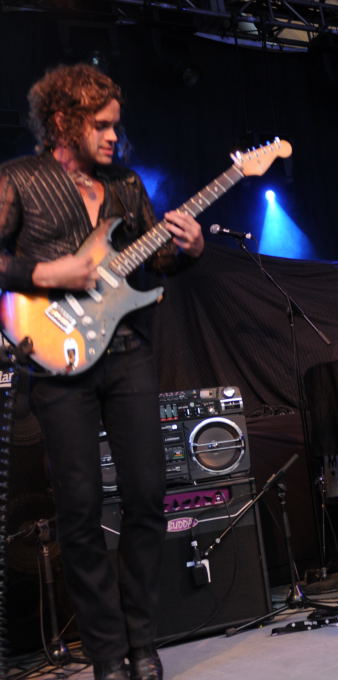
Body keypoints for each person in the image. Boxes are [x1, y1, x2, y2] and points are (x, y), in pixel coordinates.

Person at [0, 64, 204, 680]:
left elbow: (152, 262)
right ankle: (107, 654)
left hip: (128, 351)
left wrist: (189, 250)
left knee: (147, 495)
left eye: (117, 124)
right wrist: (46, 273)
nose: (115, 136)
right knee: (81, 508)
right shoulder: (19, 179)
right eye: (102, 125)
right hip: (57, 361)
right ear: (64, 120)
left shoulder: (125, 185)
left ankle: (143, 642)